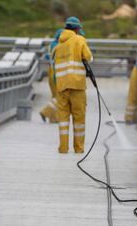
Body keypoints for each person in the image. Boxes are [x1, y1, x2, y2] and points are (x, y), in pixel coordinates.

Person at [53, 16, 93, 153]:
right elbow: (89, 58)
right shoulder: (79, 40)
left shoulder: (58, 46)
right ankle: (79, 148)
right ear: (76, 29)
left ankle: (63, 149)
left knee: (63, 120)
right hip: (77, 86)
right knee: (79, 118)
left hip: (61, 87)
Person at [39, 29, 63, 123]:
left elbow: (46, 56)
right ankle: (45, 112)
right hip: (56, 71)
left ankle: (53, 118)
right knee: (59, 96)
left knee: (54, 96)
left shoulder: (51, 44)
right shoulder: (57, 45)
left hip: (51, 70)